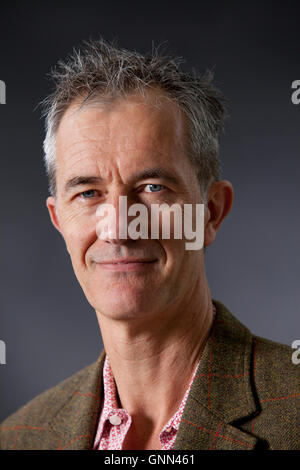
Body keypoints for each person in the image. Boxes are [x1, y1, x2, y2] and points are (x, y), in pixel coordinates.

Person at [0, 39, 298, 450]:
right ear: (58, 220)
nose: (119, 227)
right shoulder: (18, 438)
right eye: (88, 193)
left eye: (152, 187)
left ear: (210, 212)